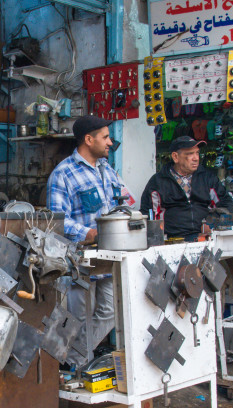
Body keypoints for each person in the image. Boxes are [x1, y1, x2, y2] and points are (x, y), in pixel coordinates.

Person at [46, 115, 134, 361]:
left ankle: (73, 359)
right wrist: (90, 233)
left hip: (110, 258)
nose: (109, 142)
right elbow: (57, 222)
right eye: (105, 137)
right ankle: (75, 365)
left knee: (110, 312)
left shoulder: (108, 171)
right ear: (88, 139)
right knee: (78, 318)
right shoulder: (63, 174)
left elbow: (125, 203)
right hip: (79, 262)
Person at [140, 136, 233, 241]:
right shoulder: (158, 182)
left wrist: (212, 222)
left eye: (197, 153)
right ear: (175, 157)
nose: (196, 158)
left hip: (205, 238)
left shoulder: (207, 178)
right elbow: (148, 215)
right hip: (172, 241)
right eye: (190, 154)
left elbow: (227, 203)